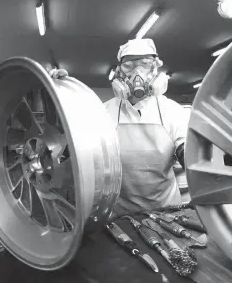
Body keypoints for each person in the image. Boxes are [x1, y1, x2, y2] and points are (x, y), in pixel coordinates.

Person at [50, 38, 187, 215]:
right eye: (129, 66)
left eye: (145, 64)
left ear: (156, 69)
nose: (137, 72)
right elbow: (71, 154)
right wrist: (60, 91)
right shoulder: (103, 112)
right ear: (118, 72)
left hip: (166, 211)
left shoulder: (173, 112)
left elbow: (190, 158)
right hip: (119, 215)